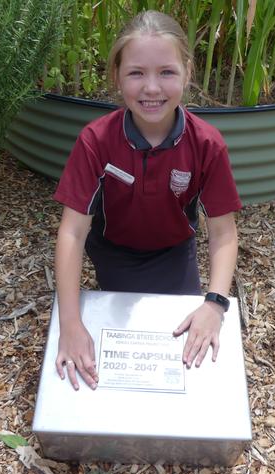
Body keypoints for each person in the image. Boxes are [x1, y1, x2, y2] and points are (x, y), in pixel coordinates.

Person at [52, 10, 241, 391]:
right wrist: (69, 324)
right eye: (136, 73)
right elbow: (72, 232)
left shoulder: (206, 144)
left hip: (175, 252)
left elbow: (223, 234)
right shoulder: (96, 141)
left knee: (185, 355)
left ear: (187, 73)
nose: (151, 88)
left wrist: (214, 304)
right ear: (117, 77)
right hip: (114, 252)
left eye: (166, 72)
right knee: (115, 355)